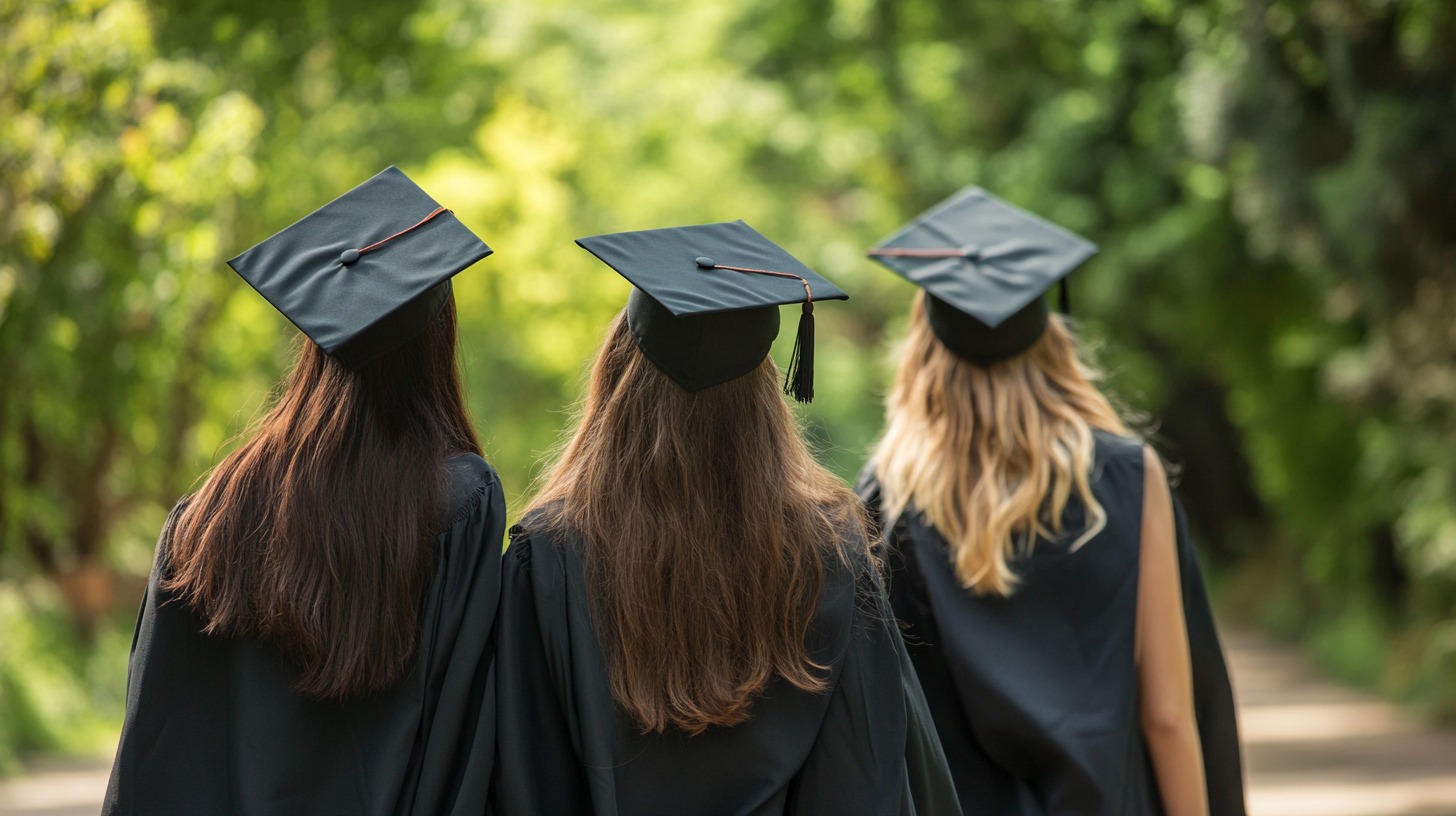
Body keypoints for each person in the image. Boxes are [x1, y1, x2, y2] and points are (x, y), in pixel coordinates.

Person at [492, 221, 960, 816]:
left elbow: (523, 778)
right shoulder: (828, 548)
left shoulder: (549, 554)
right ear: (766, 389)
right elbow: (864, 770)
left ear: (617, 370)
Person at [103, 167, 506, 816]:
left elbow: (156, 745)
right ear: (438, 342)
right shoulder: (458, 503)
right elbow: (463, 744)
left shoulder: (209, 517)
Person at [856, 188, 1247, 815]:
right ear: (1050, 337)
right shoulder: (1127, 477)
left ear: (924, 347)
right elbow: (1170, 716)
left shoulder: (886, 496)